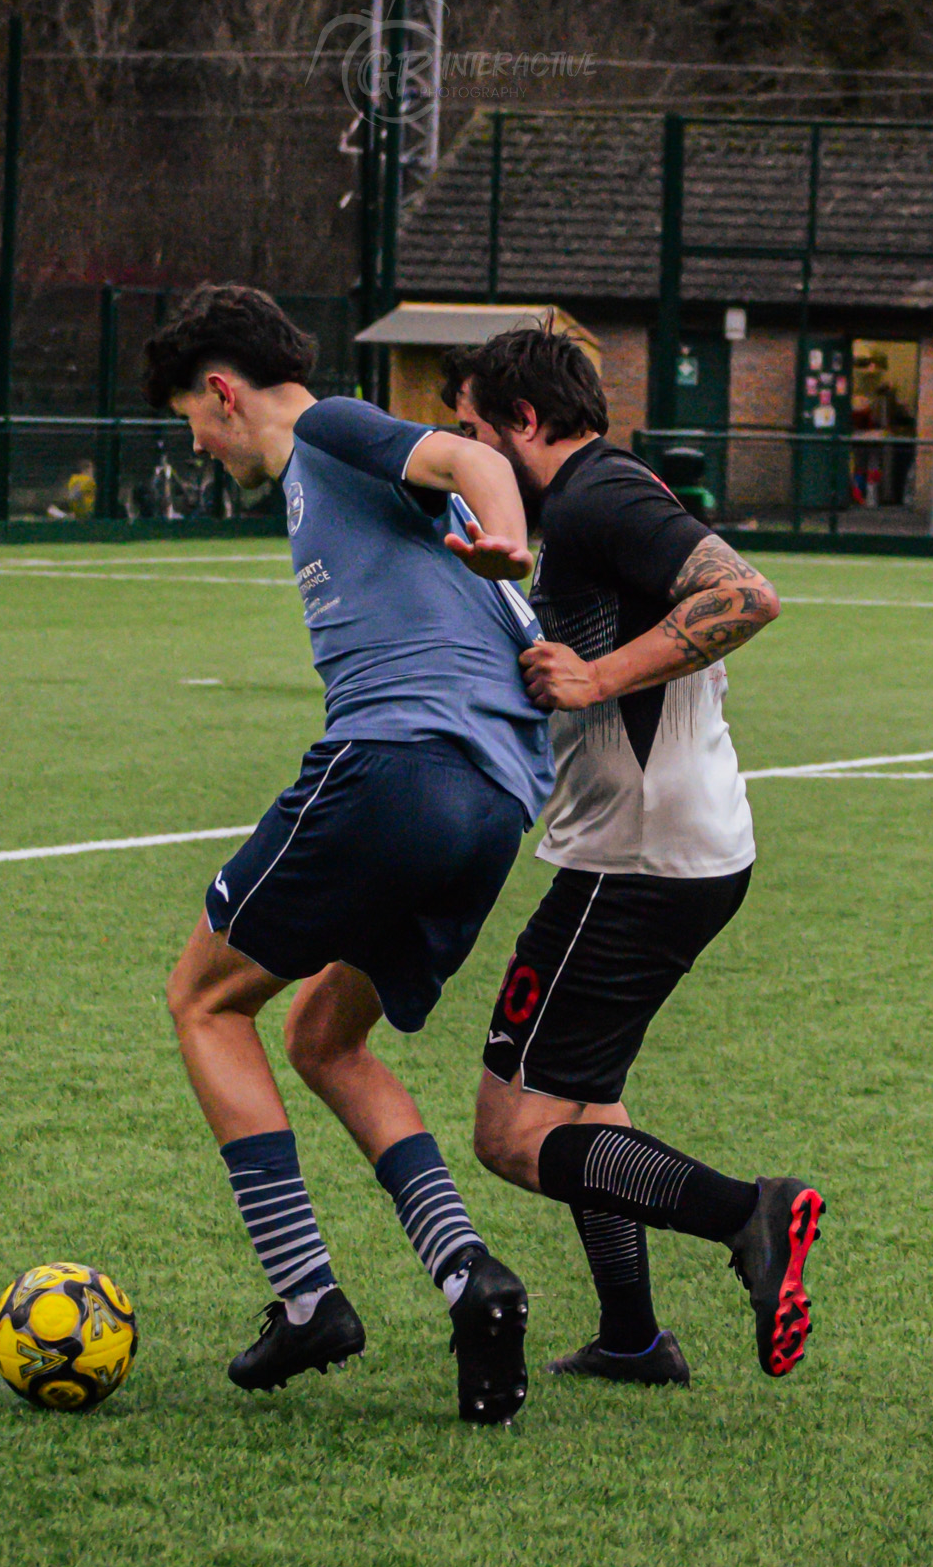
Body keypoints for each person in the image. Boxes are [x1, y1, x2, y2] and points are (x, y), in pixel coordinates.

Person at [144, 286, 552, 1425]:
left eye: (189, 414)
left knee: (201, 1001)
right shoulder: (339, 488)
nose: (193, 439)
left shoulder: (327, 430)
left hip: (397, 768)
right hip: (489, 810)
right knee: (324, 1034)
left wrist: (509, 535)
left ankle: (305, 1294)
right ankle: (474, 1274)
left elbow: (475, 465)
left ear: (222, 390)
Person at [441, 325, 824, 1387]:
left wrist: (597, 676)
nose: (466, 454)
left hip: (641, 856)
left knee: (513, 1131)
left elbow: (746, 594)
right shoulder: (590, 495)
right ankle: (630, 1337)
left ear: (522, 423)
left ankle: (750, 1213)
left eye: (472, 432)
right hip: (670, 848)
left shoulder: (594, 495)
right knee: (586, 1096)